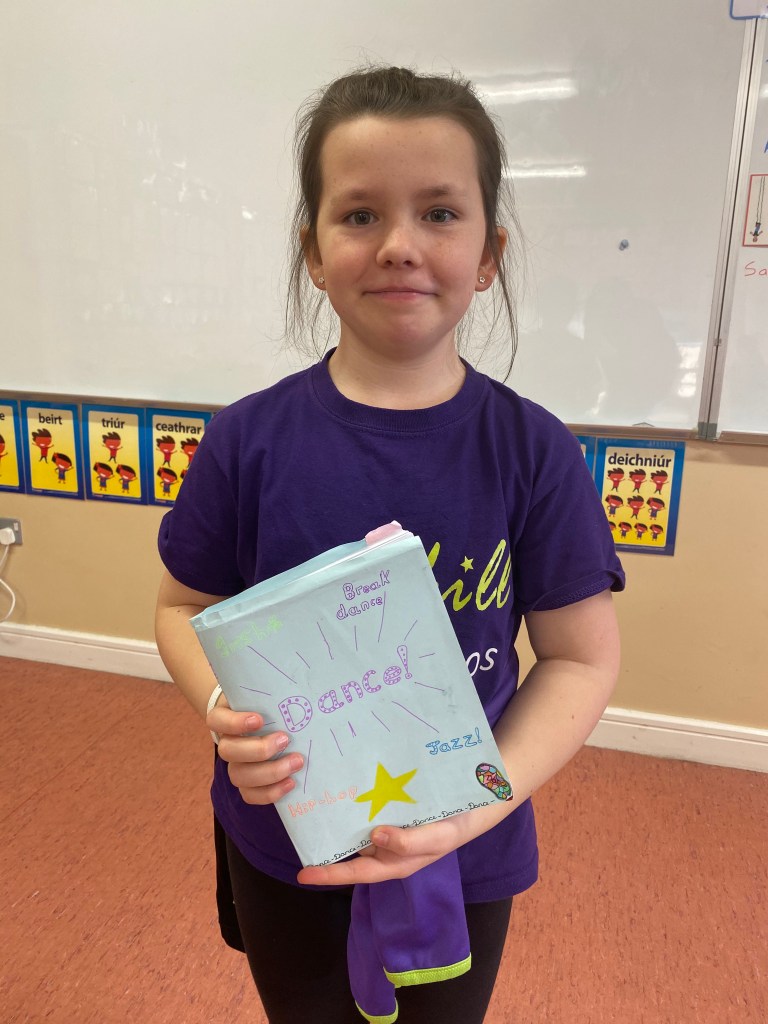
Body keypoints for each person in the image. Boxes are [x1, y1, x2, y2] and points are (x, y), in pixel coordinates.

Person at [155, 65, 624, 1024]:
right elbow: (182, 606)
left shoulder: (532, 451)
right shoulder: (247, 441)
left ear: (488, 254)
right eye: (361, 214)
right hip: (284, 833)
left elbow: (580, 658)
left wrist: (472, 809)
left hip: (465, 844)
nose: (400, 244)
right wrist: (219, 706)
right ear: (314, 252)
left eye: (440, 213)